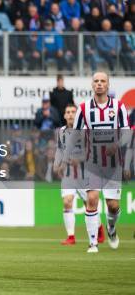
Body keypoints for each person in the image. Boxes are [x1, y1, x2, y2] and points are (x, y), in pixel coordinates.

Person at [68, 72, 131, 253]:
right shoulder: (84, 108)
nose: (99, 84)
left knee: (113, 205)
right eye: (96, 81)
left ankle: (111, 228)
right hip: (92, 162)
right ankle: (93, 243)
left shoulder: (118, 107)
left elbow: (127, 133)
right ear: (92, 85)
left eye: (103, 81)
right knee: (92, 199)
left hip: (113, 164)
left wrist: (117, 144)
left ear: (108, 85)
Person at [53, 103, 103, 245]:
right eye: (67, 112)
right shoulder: (61, 131)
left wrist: (79, 159)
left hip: (85, 173)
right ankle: (71, 237)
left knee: (89, 204)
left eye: (73, 112)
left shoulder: (85, 131)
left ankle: (99, 228)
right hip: (68, 175)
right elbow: (59, 149)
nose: (70, 114)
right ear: (64, 115)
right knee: (67, 201)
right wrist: (57, 163)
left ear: (78, 114)